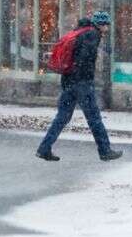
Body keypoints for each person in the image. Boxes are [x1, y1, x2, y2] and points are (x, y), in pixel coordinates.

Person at [36, 11, 123, 162]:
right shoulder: (92, 35)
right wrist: (85, 80)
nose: (107, 29)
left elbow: (74, 60)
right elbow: (84, 60)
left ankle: (44, 148)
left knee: (62, 117)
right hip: (81, 84)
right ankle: (105, 150)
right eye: (106, 25)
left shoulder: (79, 32)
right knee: (94, 118)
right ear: (100, 25)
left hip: (69, 81)